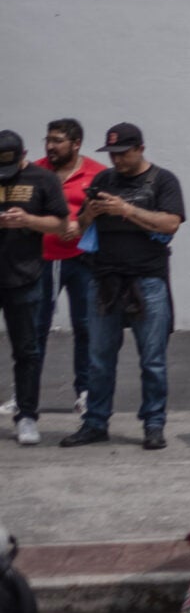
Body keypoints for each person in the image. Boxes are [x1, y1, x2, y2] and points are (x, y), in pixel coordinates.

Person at [64, 122, 185, 450]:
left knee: (153, 359)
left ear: (140, 149)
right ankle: (95, 422)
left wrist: (126, 209)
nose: (117, 160)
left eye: (122, 153)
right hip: (104, 278)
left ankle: (154, 423)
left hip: (147, 280)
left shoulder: (162, 180)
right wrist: (90, 212)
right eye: (112, 154)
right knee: (99, 357)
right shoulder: (104, 180)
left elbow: (171, 223)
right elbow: (79, 228)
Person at [0, 131, 70, 446]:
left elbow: (59, 224)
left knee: (27, 350)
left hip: (24, 276)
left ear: (23, 154)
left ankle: (26, 416)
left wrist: (27, 219)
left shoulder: (43, 179)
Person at [36, 118, 103, 427]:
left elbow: (104, 213)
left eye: (58, 140)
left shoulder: (97, 174)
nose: (50, 146)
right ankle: (26, 395)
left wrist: (82, 223)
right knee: (34, 328)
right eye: (48, 140)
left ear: (76, 144)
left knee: (86, 326)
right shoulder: (34, 172)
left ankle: (85, 391)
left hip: (82, 260)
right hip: (42, 259)